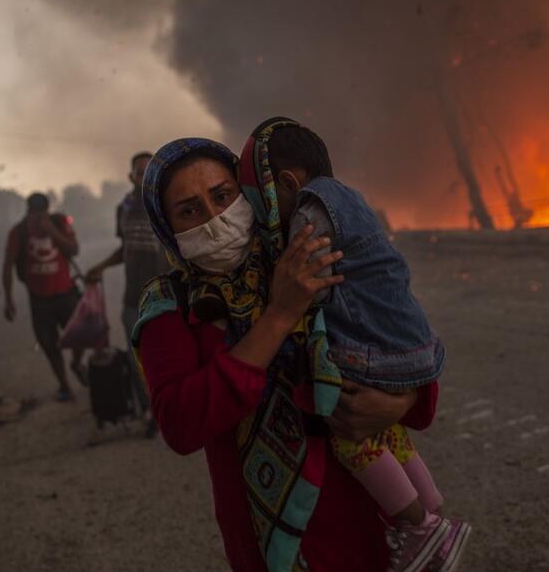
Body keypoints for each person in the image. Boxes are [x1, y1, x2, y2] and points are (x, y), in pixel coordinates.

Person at [132, 138, 438, 571]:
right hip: (276, 540)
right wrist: (280, 314)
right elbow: (181, 424)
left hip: (377, 520)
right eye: (189, 211)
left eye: (222, 196)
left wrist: (401, 401)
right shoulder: (168, 306)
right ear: (167, 227)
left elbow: (392, 330)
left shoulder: (298, 252)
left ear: (246, 194)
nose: (215, 218)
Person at [245, 117, 471, 572]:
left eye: (265, 203)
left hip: (369, 351)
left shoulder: (307, 215)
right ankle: (431, 508)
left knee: (351, 436)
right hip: (409, 345)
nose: (266, 217)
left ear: (288, 182)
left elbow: (313, 286)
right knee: (387, 431)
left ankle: (419, 528)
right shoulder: (350, 198)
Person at [86, 152, 167, 436]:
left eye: (149, 171)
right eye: (139, 172)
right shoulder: (125, 208)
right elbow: (127, 250)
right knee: (138, 361)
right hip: (133, 297)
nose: (144, 177)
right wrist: (100, 267)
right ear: (130, 177)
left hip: (167, 294)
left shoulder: (166, 202)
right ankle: (152, 412)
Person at [2, 192, 85, 402]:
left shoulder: (59, 222)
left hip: (65, 293)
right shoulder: (18, 232)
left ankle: (76, 364)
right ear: (28, 212)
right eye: (34, 214)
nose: (38, 218)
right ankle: (64, 385)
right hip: (39, 299)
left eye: (41, 213)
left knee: (79, 335)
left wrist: (52, 232)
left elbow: (73, 249)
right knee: (49, 344)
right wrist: (8, 299)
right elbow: (8, 265)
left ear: (47, 211)